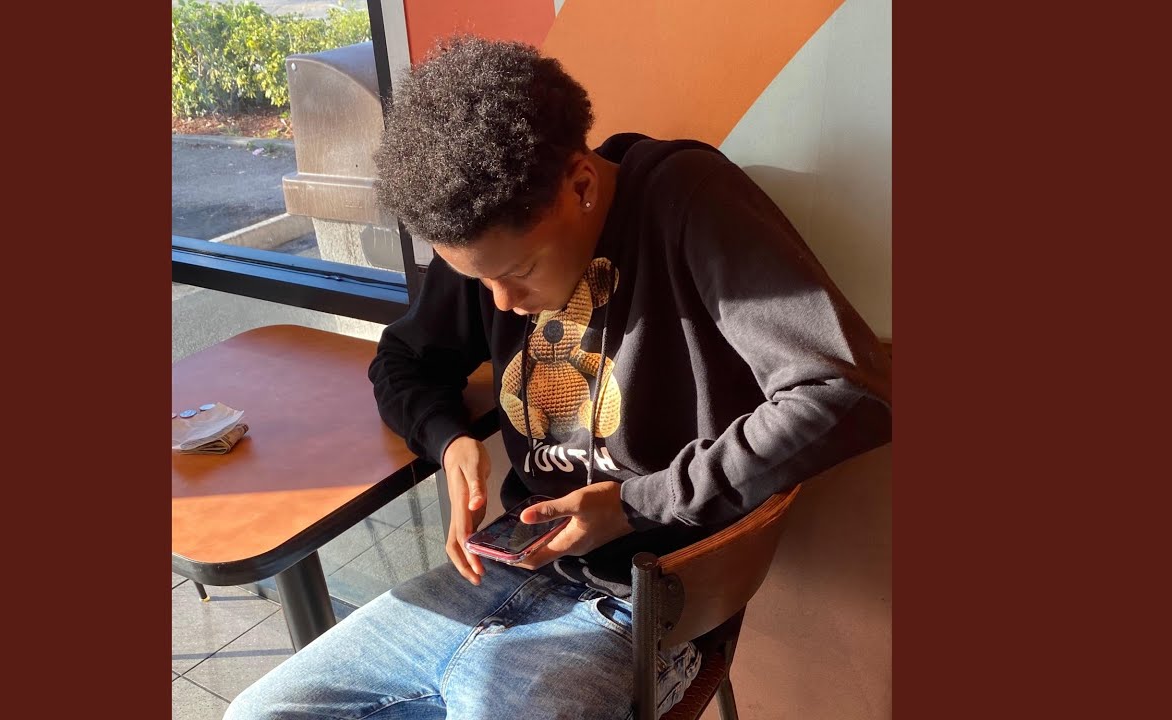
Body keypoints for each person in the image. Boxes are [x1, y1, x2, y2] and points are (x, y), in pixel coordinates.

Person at [226, 35, 891, 720]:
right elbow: (403, 359)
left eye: (518, 272)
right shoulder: (486, 226)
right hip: (500, 569)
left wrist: (633, 505)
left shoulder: (688, 200)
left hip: (646, 604)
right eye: (479, 280)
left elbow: (846, 390)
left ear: (580, 186)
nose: (503, 303)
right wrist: (449, 442)